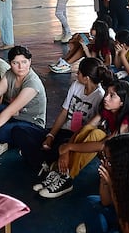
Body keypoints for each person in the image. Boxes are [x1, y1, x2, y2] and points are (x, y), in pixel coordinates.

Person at [36, 79, 129, 198]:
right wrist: (65, 151)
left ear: (122, 102)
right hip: (115, 152)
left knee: (98, 136)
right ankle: (62, 172)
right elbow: (85, 128)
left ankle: (67, 177)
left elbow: (103, 145)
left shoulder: (128, 120)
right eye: (106, 93)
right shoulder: (108, 110)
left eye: (112, 96)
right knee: (91, 131)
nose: (106, 98)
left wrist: (68, 147)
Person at [33, 58, 113, 197]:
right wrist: (51, 136)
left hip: (80, 138)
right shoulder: (77, 86)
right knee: (38, 138)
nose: (76, 74)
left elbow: (96, 138)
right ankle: (53, 166)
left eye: (79, 72)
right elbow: (69, 115)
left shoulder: (100, 98)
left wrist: (67, 147)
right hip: (67, 133)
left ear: (86, 78)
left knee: (62, 146)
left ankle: (61, 174)